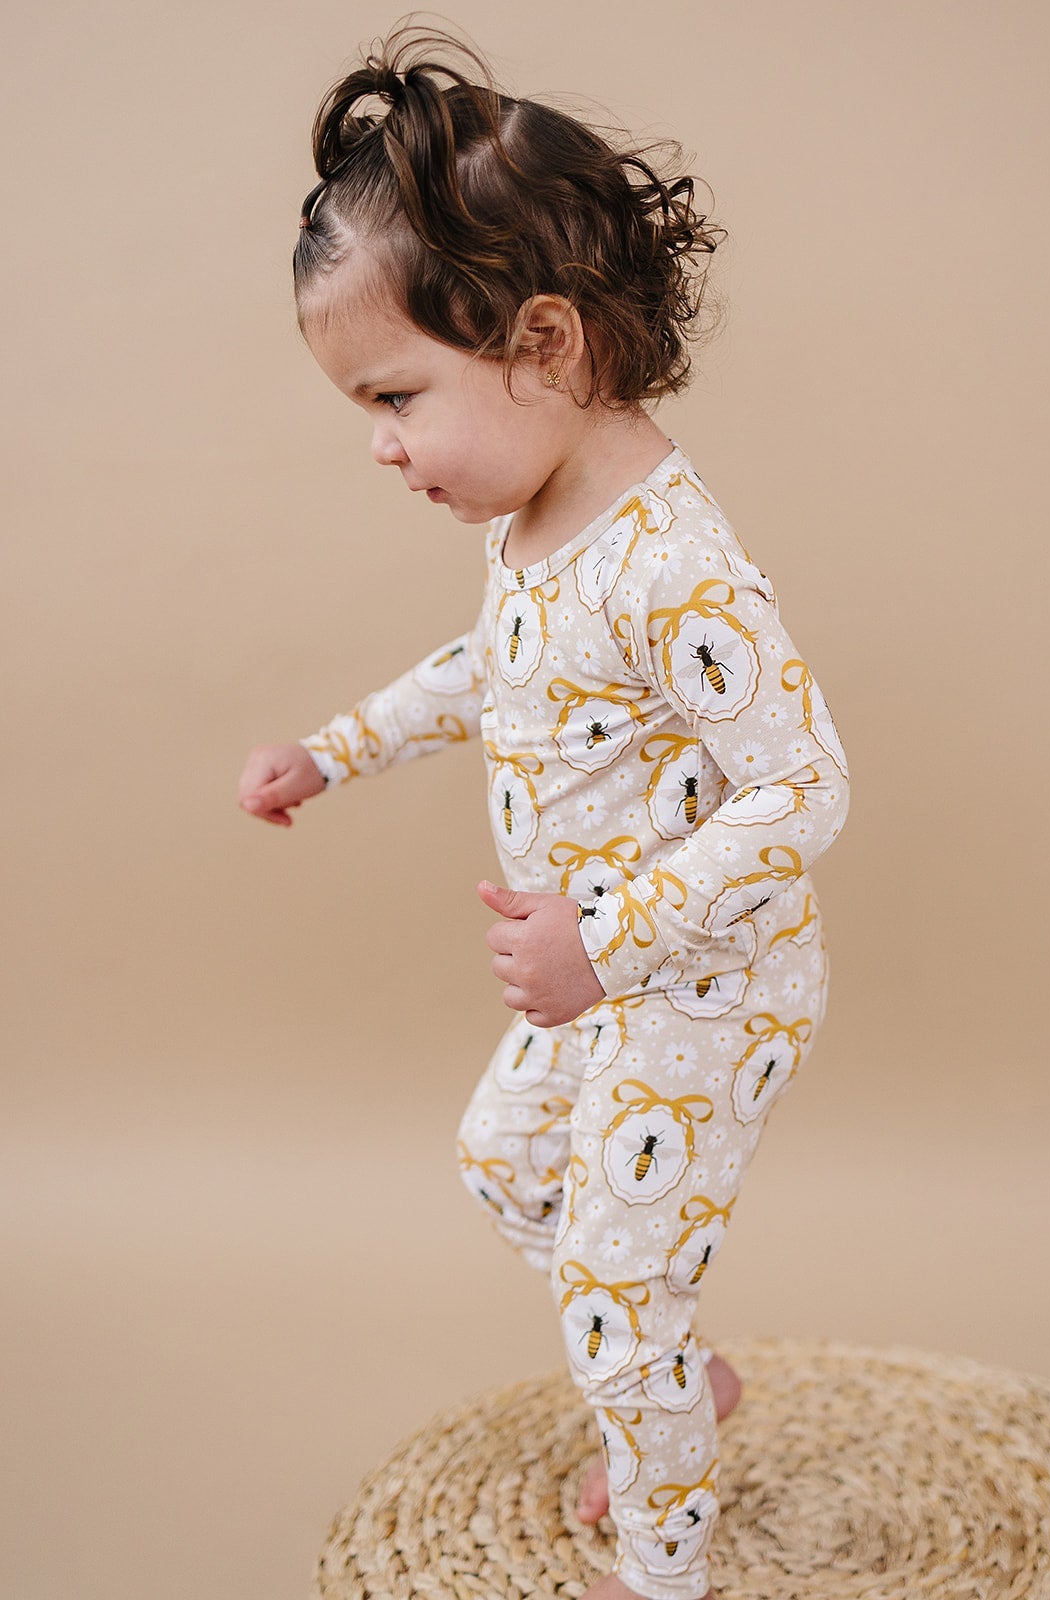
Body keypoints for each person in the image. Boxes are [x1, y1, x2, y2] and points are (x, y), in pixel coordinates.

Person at [236, 24, 849, 1600]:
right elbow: (494, 671)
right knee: (505, 1165)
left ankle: (663, 1561)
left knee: (610, 1299)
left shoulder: (675, 563)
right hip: (602, 979)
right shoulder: (539, 526)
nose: (383, 446)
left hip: (703, 981)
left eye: (396, 395)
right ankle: (682, 1374)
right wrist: (335, 750)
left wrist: (609, 937)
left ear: (549, 345)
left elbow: (806, 782)